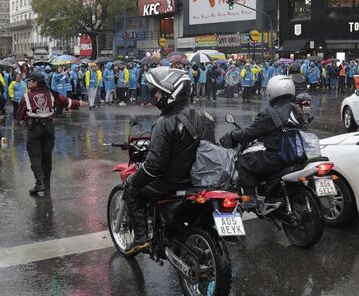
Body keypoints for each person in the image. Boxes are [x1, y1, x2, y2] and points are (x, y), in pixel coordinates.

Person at [121, 67, 215, 255]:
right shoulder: (205, 117)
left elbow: (154, 166)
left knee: (131, 187)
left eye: (158, 92)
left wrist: (134, 180)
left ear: (171, 94)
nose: (155, 95)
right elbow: (209, 147)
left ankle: (141, 239)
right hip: (198, 180)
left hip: (172, 182)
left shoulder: (164, 122)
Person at [219, 75, 307, 210]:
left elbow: (249, 133)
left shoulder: (269, 114)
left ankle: (250, 199)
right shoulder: (297, 109)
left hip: (277, 157)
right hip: (298, 154)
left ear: (272, 91)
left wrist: (232, 135)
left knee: (243, 161)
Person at [17, 72, 85, 195]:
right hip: (49, 128)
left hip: (34, 129)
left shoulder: (27, 96)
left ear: (35, 82)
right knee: (47, 157)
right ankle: (46, 183)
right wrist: (78, 103)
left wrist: (23, 120)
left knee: (35, 156)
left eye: (30, 81)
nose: (28, 83)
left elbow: (20, 113)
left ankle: (40, 182)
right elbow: (65, 101)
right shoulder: (50, 93)